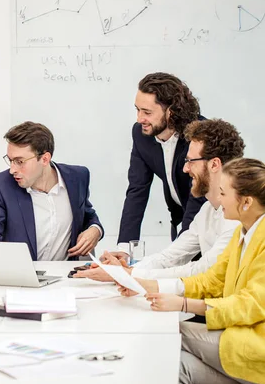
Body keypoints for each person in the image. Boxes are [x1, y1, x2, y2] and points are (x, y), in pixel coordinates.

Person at [119, 158, 265, 384]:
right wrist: (149, 286)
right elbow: (212, 281)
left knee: (161, 334)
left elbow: (250, 304)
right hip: (238, 342)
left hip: (256, 350)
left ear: (246, 201)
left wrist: (184, 304)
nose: (219, 199)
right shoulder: (241, 233)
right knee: (175, 366)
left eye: (223, 193)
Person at [76, 118, 244, 281]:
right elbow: (171, 257)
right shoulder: (207, 210)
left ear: (214, 164)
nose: (185, 169)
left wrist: (129, 275)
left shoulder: (238, 217)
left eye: (190, 161)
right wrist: (128, 270)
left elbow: (202, 270)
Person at [0, 121, 103, 260]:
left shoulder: (77, 177)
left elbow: (87, 215)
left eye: (19, 161)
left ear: (44, 159)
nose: (12, 169)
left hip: (66, 278)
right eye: (10, 160)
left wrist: (95, 230)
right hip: (21, 278)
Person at [118, 72, 206, 251]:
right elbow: (137, 190)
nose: (139, 118)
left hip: (208, 227)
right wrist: (124, 249)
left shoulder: (199, 137)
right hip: (181, 221)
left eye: (147, 112)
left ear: (171, 112)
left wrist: (176, 252)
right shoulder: (141, 135)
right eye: (137, 109)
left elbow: (197, 196)